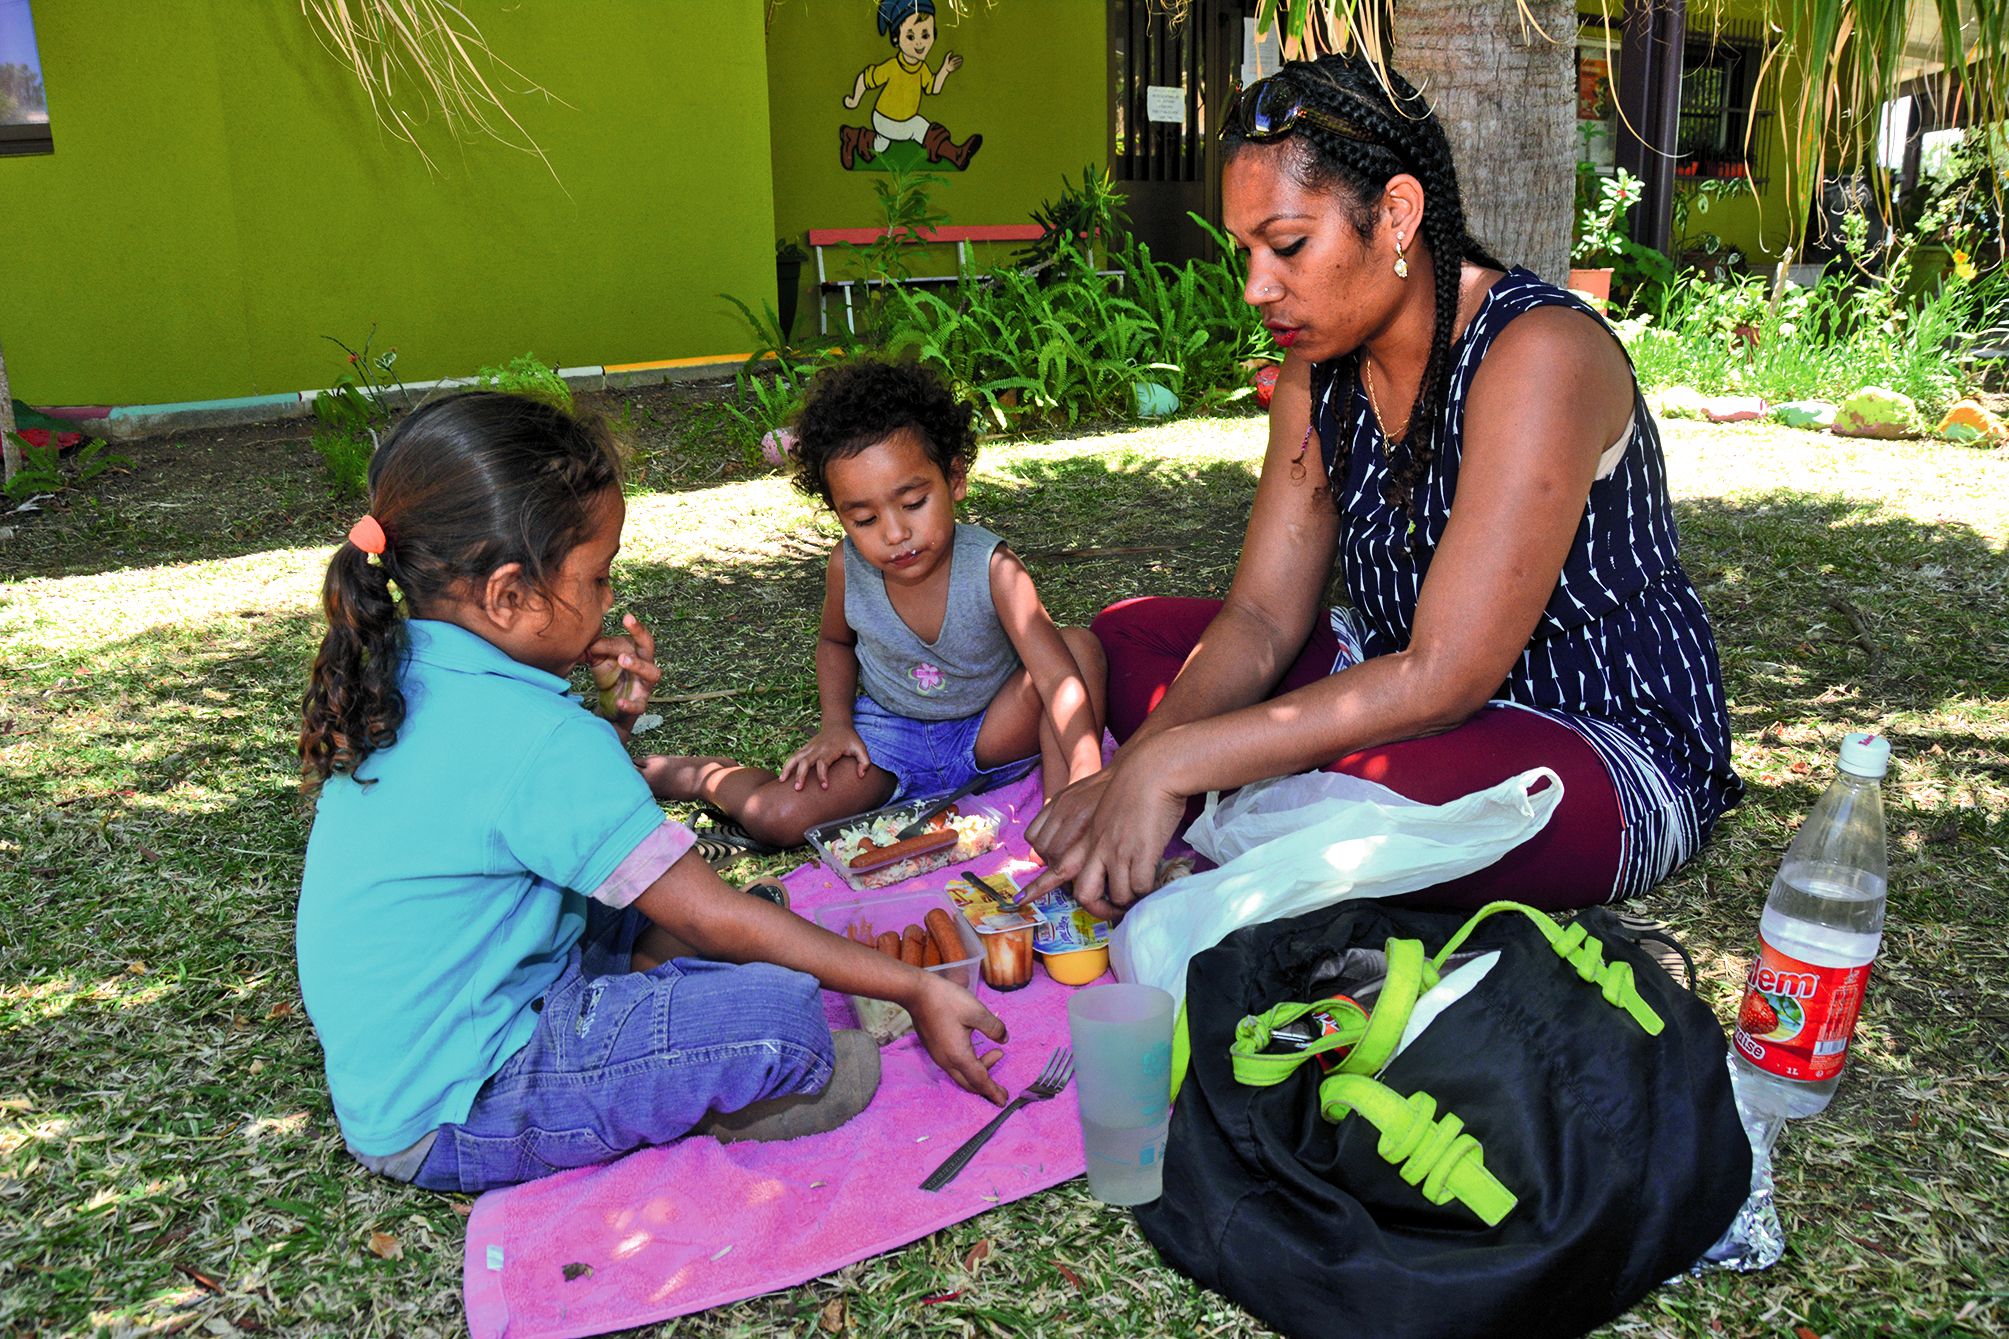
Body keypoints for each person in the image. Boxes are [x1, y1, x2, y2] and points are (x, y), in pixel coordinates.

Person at [1025, 53, 1742, 921]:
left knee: (1381, 797)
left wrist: (1166, 762)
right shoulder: (1315, 369)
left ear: (1397, 213)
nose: (1257, 286)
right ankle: (1262, 799)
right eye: (1247, 250)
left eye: (1288, 244)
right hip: (1388, 676)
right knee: (1133, 637)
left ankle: (1259, 801)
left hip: (1590, 732)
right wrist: (1168, 752)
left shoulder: (1538, 353)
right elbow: (1257, 617)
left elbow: (1442, 679)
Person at [296, 392, 1007, 1195]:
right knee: (784, 1021)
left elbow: (536, 821)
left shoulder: (407, 664)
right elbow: (706, 909)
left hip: (418, 1062)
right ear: (506, 595)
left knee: (726, 924)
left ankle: (645, 988)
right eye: (598, 577)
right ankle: (683, 1048)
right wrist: (913, 984)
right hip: (466, 1104)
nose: (608, 598)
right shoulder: (539, 737)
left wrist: (612, 731)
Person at [645, 358, 1106, 849]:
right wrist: (836, 726)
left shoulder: (994, 570)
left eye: (912, 504)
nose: (894, 534)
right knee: (778, 816)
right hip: (888, 741)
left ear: (954, 478)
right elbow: (833, 642)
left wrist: (1086, 775)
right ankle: (700, 776)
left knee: (1075, 649)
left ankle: (1071, 806)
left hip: (990, 731)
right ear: (840, 517)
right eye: (864, 519)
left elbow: (1056, 681)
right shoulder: (848, 567)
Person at [839, 0, 981, 171]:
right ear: (896, 39)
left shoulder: (922, 69)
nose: (919, 44)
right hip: (884, 118)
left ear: (934, 35)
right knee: (918, 126)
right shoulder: (892, 67)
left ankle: (851, 136)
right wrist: (854, 100)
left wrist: (945, 70)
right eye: (910, 37)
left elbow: (933, 88)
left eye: (925, 35)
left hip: (901, 120)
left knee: (879, 145)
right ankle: (955, 154)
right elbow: (866, 78)